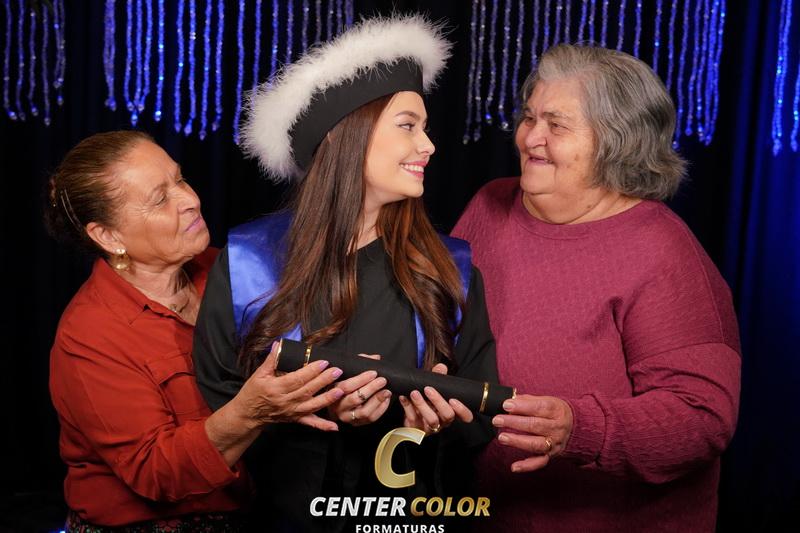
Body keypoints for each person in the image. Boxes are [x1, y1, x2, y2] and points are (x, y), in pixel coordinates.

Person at [193, 15, 498, 532]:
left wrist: (433, 424)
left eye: (425, 128)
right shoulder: (248, 263)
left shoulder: (451, 267)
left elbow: (482, 412)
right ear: (342, 136)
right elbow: (220, 413)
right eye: (408, 126)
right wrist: (308, 410)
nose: (428, 145)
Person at [452, 44, 741, 532]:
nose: (530, 137)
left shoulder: (664, 253)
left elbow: (702, 418)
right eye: (529, 117)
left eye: (557, 125)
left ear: (615, 143)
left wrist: (579, 429)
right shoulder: (490, 204)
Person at [46, 131, 346, 531]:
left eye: (180, 179)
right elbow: (156, 472)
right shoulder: (89, 334)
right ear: (109, 236)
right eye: (160, 199)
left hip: (260, 510)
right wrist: (248, 412)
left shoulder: (229, 270)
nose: (190, 200)